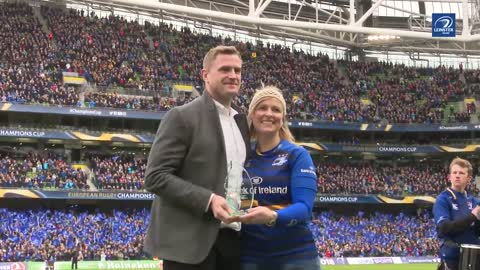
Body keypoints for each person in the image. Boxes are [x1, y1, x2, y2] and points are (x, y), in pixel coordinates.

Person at [143, 45, 250, 270]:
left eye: (237, 70)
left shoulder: (241, 122)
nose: (233, 75)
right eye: (225, 69)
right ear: (205, 75)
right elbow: (155, 177)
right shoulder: (181, 117)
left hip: (232, 241)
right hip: (189, 248)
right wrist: (209, 200)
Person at [236, 86, 321, 270]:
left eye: (276, 109)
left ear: (282, 118)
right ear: (252, 115)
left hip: (296, 255)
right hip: (251, 256)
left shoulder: (298, 155)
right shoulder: (242, 157)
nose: (269, 113)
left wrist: (273, 216)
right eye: (262, 108)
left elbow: (305, 208)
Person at [433, 157, 480, 270]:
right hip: (452, 258)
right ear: (449, 177)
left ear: (469, 178)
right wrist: (472, 217)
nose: (457, 175)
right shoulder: (443, 199)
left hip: (474, 258)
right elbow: (444, 228)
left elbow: (477, 231)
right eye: (454, 172)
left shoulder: (475, 201)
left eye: (461, 173)